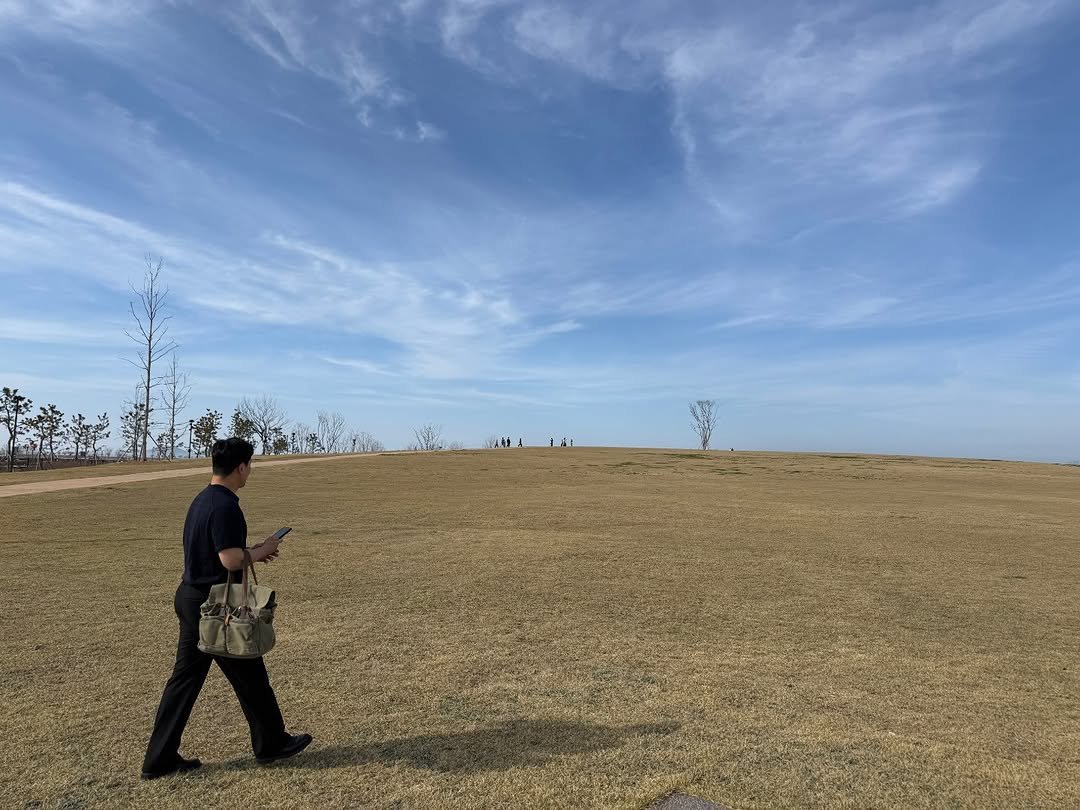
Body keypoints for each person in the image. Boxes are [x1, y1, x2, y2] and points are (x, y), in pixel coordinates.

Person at [141, 437, 311, 779]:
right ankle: (271, 744)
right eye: (250, 466)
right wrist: (263, 550)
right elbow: (229, 558)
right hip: (217, 606)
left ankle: (159, 760)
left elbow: (220, 550)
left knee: (186, 681)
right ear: (241, 467)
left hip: (193, 597)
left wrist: (256, 549)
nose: (250, 472)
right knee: (250, 676)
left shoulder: (203, 499)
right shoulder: (226, 506)